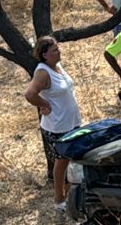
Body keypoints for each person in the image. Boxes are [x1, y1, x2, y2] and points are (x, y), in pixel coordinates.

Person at [25, 35, 82, 212]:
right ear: (44, 55)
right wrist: (45, 104)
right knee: (61, 162)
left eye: (58, 48)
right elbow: (30, 94)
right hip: (57, 126)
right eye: (54, 50)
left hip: (71, 122)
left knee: (71, 160)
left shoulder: (57, 67)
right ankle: (59, 199)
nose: (59, 52)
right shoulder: (43, 72)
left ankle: (69, 193)